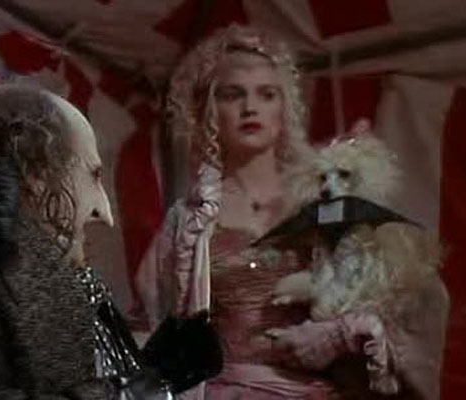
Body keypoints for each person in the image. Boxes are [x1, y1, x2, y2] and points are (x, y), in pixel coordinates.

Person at [137, 25, 449, 400]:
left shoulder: (326, 197)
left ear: (284, 107)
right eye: (232, 95)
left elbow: (408, 291)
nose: (250, 108)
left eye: (266, 94)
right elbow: (155, 320)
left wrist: (343, 333)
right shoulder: (189, 221)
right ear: (206, 110)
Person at [0, 84, 216, 399]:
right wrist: (138, 390)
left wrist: (148, 370)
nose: (105, 213)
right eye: (93, 175)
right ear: (35, 173)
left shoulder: (59, 277)